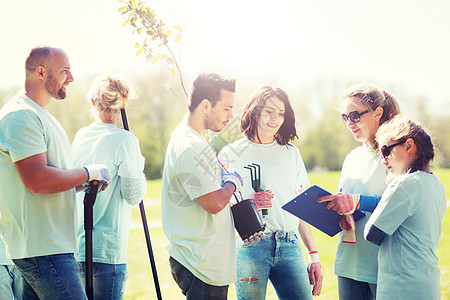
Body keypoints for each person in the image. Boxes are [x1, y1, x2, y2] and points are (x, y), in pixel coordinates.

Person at [0, 46, 110, 299]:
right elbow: (37, 181)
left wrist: (84, 181)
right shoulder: (21, 116)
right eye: (65, 71)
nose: (71, 78)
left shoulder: (41, 115)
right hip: (43, 249)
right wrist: (87, 171)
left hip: (49, 246)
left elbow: (50, 178)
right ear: (41, 72)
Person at [218, 86, 323, 299]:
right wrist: (250, 203)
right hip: (250, 246)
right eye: (269, 111)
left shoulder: (291, 153)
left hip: (290, 245)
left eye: (281, 113)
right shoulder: (231, 152)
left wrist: (314, 257)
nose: (275, 118)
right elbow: (220, 205)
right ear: (254, 111)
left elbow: (301, 207)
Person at [161, 73, 243, 299]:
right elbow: (214, 202)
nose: (231, 115)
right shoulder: (189, 145)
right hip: (201, 264)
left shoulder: (194, 139)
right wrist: (231, 183)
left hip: (203, 262)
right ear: (206, 105)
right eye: (227, 108)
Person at [318, 83, 401, 300]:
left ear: (378, 113)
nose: (349, 123)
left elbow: (401, 203)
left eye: (354, 115)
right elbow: (346, 202)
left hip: (382, 262)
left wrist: (358, 201)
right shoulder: (352, 158)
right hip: (349, 262)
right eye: (345, 117)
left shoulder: (396, 155)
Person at [72, 75, 146, 299]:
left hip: (77, 248)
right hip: (108, 252)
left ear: (93, 103)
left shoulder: (81, 136)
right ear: (123, 104)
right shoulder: (125, 140)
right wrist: (137, 159)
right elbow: (133, 196)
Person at [364, 115, 446, 299]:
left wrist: (390, 188)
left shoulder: (404, 185)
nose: (383, 160)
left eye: (385, 151)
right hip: (427, 282)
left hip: (401, 286)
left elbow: (372, 233)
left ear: (409, 146)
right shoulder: (436, 183)